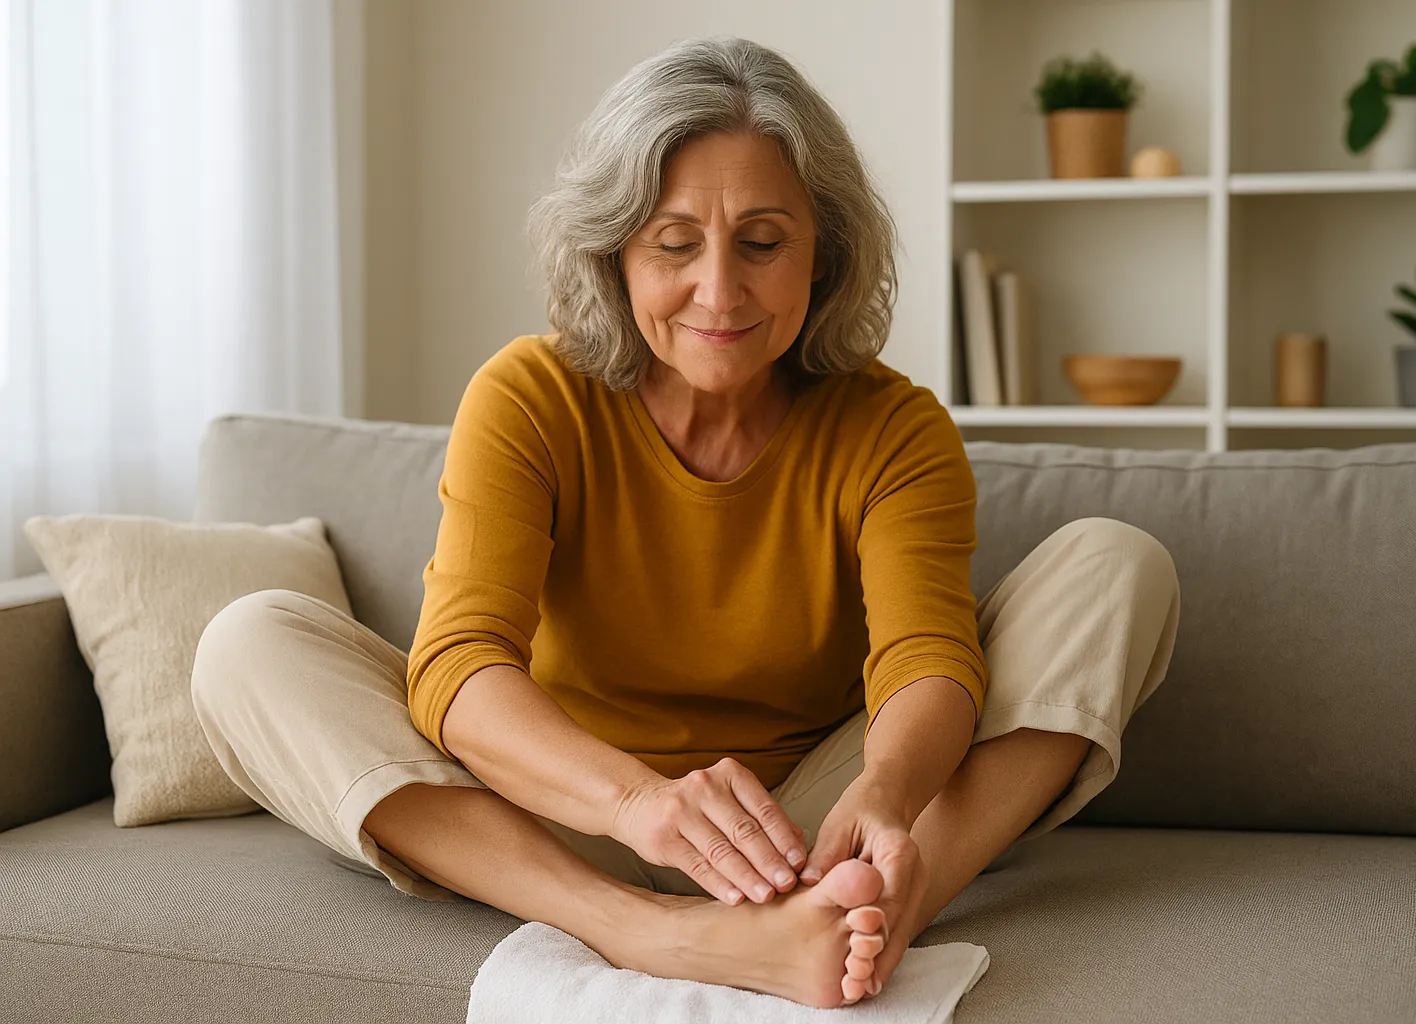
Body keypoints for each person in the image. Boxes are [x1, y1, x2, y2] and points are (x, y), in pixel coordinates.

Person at [190, 35, 1181, 1011]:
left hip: (808, 824)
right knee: (247, 640)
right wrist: (635, 804)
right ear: (615, 251)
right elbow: (458, 663)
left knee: (1117, 564)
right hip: (566, 816)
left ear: (823, 253)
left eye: (762, 241)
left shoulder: (893, 425)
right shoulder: (529, 395)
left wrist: (885, 793)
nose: (720, 290)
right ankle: (645, 930)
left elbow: (927, 655)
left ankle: (877, 902)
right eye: (674, 243)